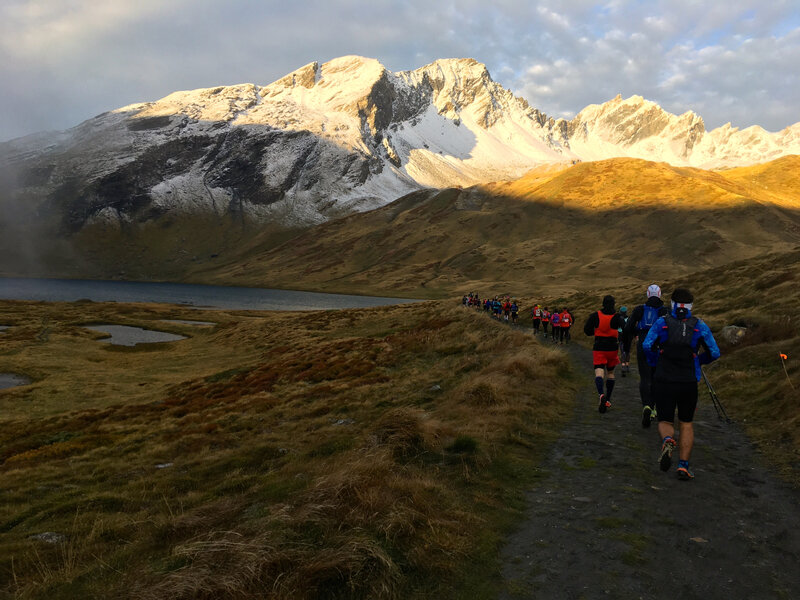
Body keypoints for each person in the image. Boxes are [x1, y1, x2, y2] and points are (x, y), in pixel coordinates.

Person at [643, 288, 721, 480]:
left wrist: (654, 361)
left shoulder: (662, 323)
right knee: (686, 423)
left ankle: (668, 440)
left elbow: (647, 345)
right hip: (688, 381)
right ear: (690, 306)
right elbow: (715, 352)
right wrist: (698, 360)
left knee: (665, 420)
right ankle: (683, 466)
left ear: (672, 304)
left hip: (664, 380)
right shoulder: (699, 325)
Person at [624, 284, 669, 428]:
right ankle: (654, 409)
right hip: (659, 346)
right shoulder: (665, 310)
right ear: (660, 294)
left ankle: (646, 406)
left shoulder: (639, 309)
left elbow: (627, 328)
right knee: (657, 378)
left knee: (645, 377)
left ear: (648, 294)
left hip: (643, 343)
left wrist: (630, 341)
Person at [583, 295, 624, 413]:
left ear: (603, 303)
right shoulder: (617, 317)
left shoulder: (595, 315)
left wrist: (595, 332)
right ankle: (608, 399)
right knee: (610, 373)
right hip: (612, 348)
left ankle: (601, 394)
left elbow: (587, 330)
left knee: (599, 372)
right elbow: (625, 328)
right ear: (614, 304)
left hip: (599, 347)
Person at [617, 306, 631, 376]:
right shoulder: (629, 319)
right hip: (628, 336)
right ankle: (627, 365)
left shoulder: (618, 319)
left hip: (620, 335)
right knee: (628, 351)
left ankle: (623, 366)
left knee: (622, 351)